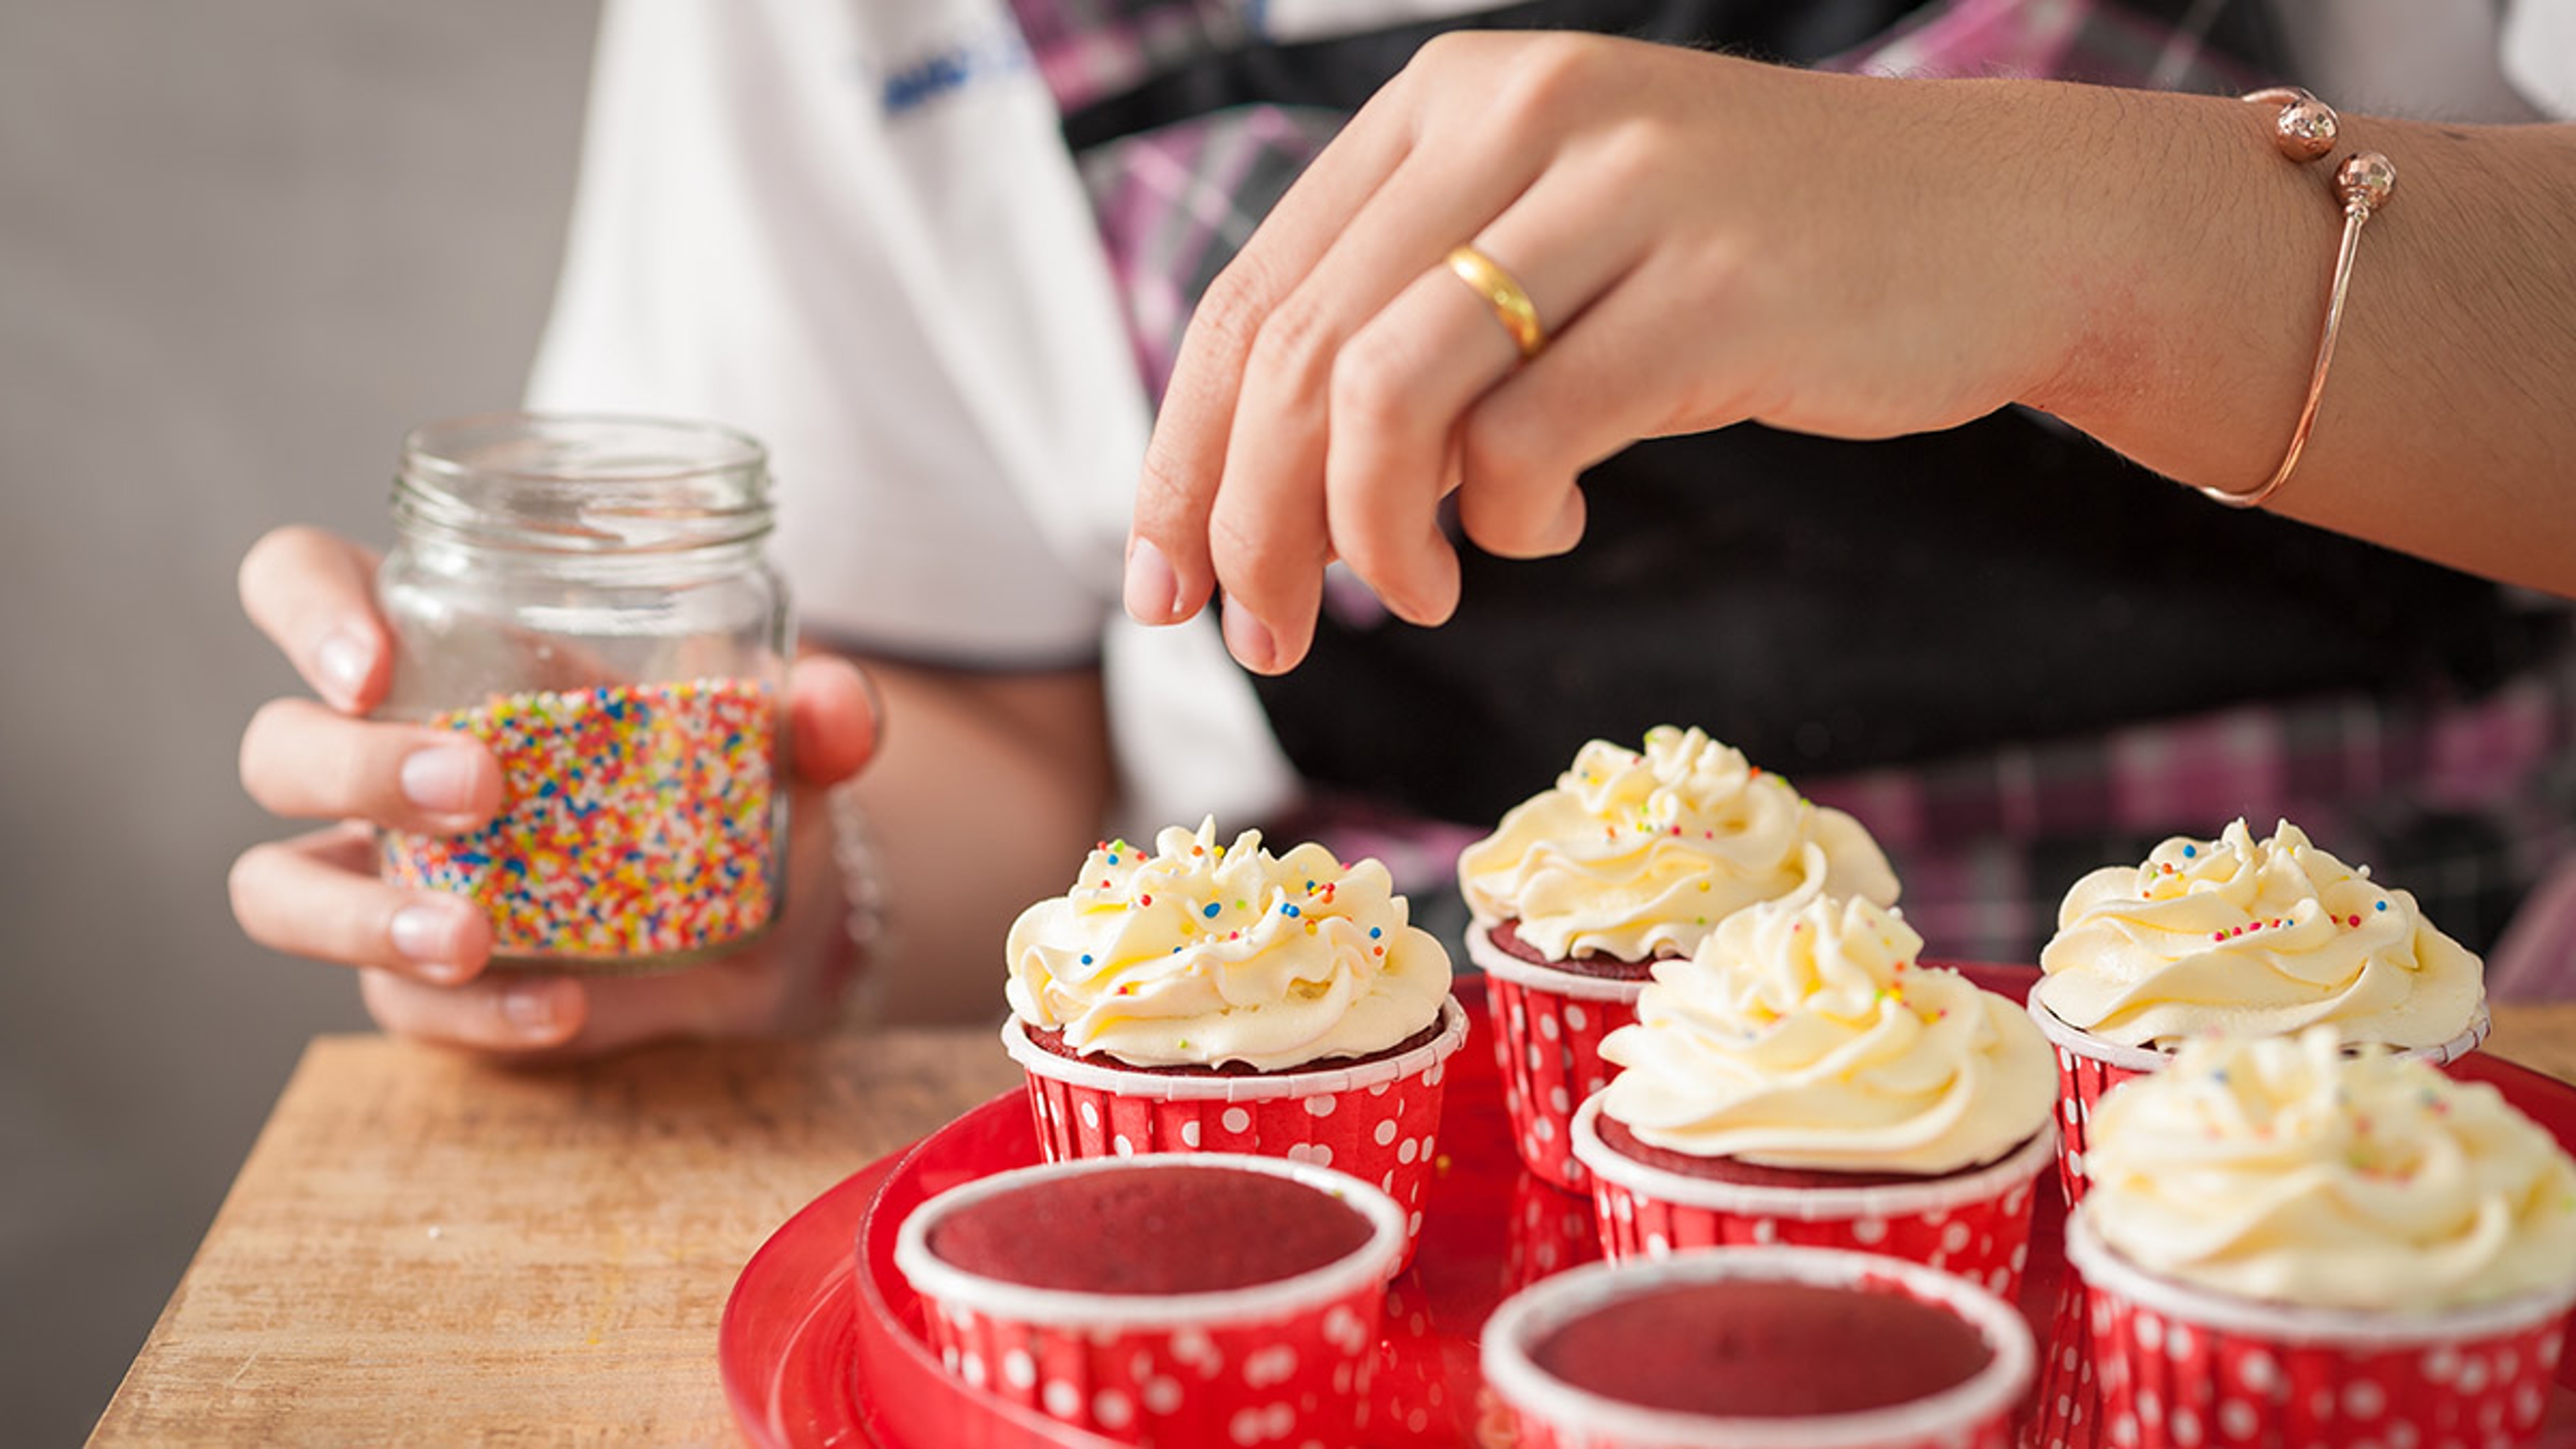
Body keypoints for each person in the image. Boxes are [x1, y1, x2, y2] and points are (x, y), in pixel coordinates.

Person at [231, 0, 2576, 1057]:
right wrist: (766, 887)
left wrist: (2110, 249)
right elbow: (980, 728)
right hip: (1396, 1100)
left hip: (2383, 1070)